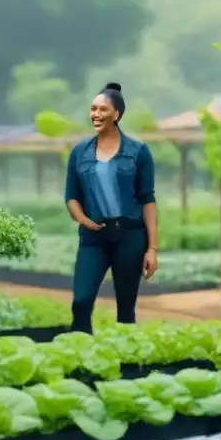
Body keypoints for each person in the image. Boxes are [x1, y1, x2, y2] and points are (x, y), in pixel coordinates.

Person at [64, 83, 158, 333]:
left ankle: (125, 360)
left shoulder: (138, 152)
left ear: (116, 114)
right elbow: (71, 196)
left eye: (103, 109)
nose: (95, 114)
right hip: (93, 237)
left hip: (129, 236)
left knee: (126, 308)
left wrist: (152, 248)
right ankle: (79, 353)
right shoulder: (79, 152)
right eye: (93, 109)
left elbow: (148, 200)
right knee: (81, 302)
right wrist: (83, 220)